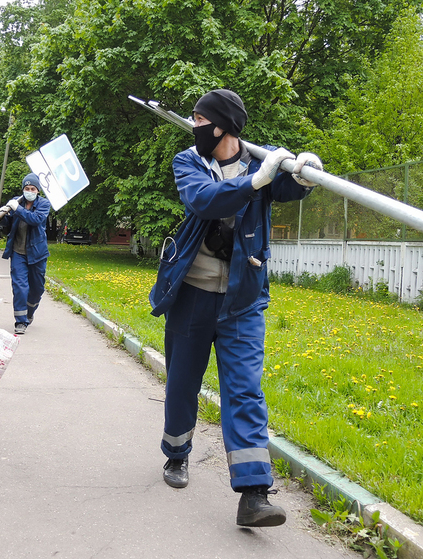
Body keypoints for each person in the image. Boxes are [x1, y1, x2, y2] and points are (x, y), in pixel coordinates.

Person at [149, 89, 323, 527]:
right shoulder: (189, 161)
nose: (194, 126)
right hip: (192, 294)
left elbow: (288, 189)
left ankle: (254, 494)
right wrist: (254, 182)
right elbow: (204, 201)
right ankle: (176, 454)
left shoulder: (262, 163)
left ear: (222, 125)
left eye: (199, 118)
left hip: (243, 301)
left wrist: (304, 172)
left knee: (244, 389)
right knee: (182, 383)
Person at [0, 173, 51, 335]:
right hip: (18, 253)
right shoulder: (16, 202)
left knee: (37, 289)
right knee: (20, 287)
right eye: (26, 188)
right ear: (23, 189)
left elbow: (35, 220)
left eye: (32, 188)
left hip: (37, 254)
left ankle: (28, 313)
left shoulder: (43, 204)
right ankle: (20, 321)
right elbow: (8, 224)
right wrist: (3, 215)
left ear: (37, 190)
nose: (29, 191)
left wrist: (17, 208)